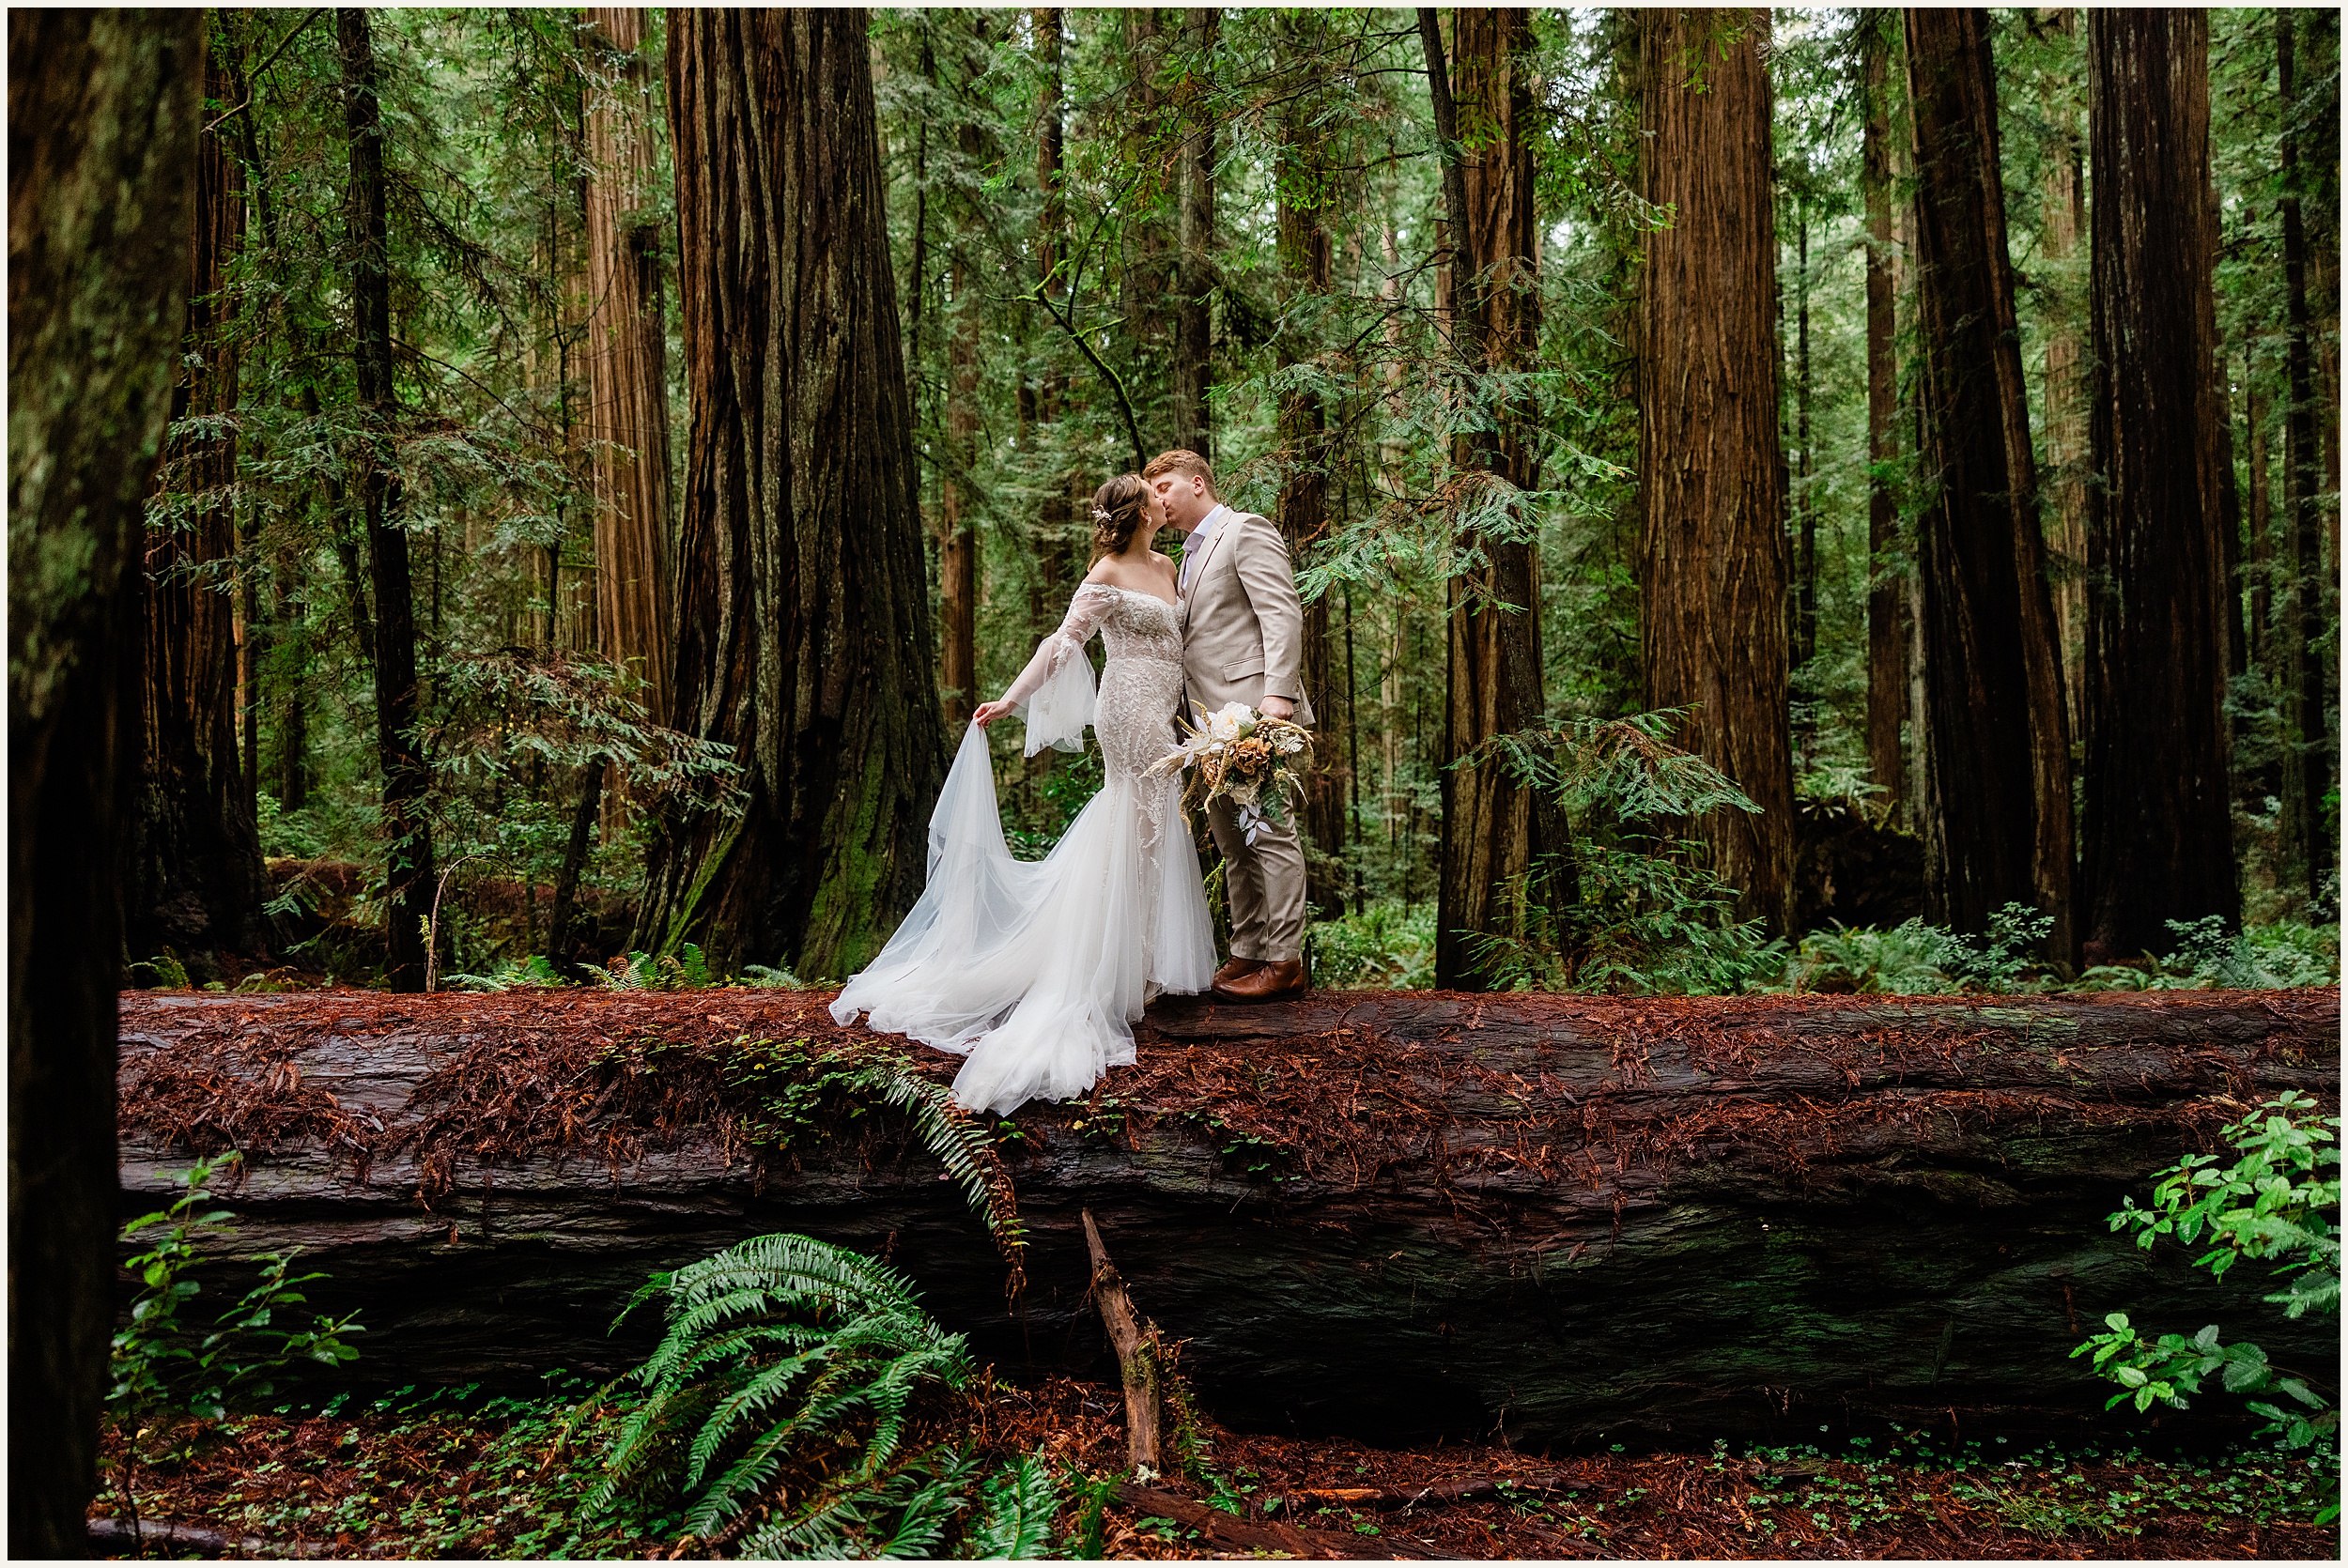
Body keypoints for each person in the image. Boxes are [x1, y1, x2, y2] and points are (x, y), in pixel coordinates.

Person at [828, 474, 1215, 1116]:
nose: (1159, 496)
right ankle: (1108, 971)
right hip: (1125, 711)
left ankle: (1141, 962)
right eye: (1152, 492)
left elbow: (1183, 643)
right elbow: (1063, 643)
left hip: (1167, 710)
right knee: (1134, 817)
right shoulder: (1107, 573)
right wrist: (1013, 698)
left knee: (1154, 825)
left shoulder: (1166, 564)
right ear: (1140, 511)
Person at [1144, 449, 1316, 1003]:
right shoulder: (1185, 558)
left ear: (1198, 483)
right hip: (1206, 724)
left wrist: (1277, 699)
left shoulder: (1244, 531)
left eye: (1166, 486)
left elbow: (1281, 612)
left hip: (1255, 712)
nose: (1159, 499)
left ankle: (1285, 960)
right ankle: (1248, 950)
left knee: (1269, 832)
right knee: (1230, 839)